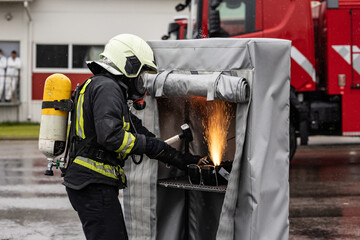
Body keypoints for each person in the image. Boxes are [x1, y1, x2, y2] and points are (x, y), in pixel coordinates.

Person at [63, 34, 200, 240]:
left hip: (91, 184)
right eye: (141, 74)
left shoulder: (104, 87)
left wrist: (184, 161)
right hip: (93, 184)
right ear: (128, 64)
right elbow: (111, 137)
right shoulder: (107, 88)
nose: (141, 81)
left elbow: (143, 136)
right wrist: (147, 145)